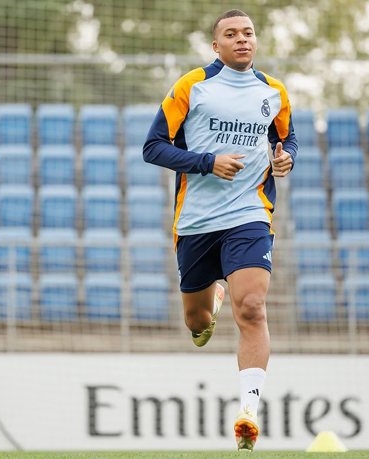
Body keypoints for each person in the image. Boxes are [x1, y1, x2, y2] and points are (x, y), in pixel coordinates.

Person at [143, 8, 298, 451]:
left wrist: (285, 157)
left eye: (248, 33)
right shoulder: (193, 87)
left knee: (252, 307)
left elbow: (287, 139)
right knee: (197, 324)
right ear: (216, 46)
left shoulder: (273, 92)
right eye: (231, 34)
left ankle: (248, 412)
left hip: (250, 212)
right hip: (195, 222)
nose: (242, 40)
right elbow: (152, 147)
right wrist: (207, 162)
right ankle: (210, 296)